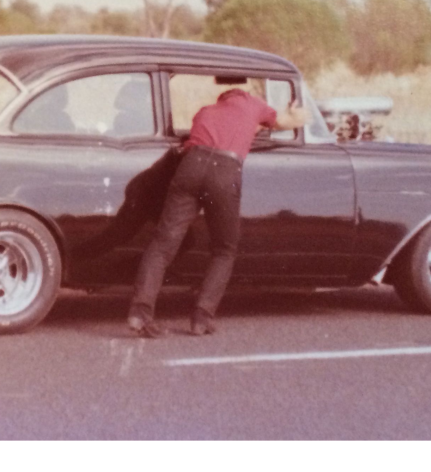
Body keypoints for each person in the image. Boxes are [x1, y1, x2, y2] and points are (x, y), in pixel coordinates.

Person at [127, 87, 308, 337]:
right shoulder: (254, 105)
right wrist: (296, 112)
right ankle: (202, 317)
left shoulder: (206, 111)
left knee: (163, 243)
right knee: (224, 248)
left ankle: (140, 313)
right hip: (224, 171)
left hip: (191, 166)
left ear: (222, 99)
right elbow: (288, 122)